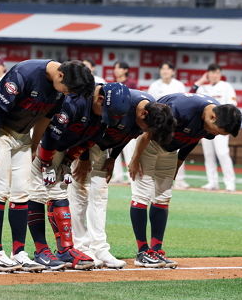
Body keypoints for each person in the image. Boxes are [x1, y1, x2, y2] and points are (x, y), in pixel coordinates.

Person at [0, 59, 94, 272]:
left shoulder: (61, 87)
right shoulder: (25, 73)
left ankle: (19, 252)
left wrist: (34, 145)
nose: (68, 94)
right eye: (68, 90)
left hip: (23, 134)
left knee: (22, 193)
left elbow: (46, 117)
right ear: (60, 76)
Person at [128, 93, 241, 268]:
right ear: (213, 117)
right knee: (142, 195)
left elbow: (193, 138)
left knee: (163, 197)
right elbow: (149, 131)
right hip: (149, 145)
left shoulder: (215, 117)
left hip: (171, 150)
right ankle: (142, 252)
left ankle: (156, 250)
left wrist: (178, 163)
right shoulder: (181, 110)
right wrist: (135, 158)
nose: (214, 134)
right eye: (216, 131)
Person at [69, 89, 175, 269]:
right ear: (143, 113)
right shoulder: (119, 103)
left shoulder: (148, 110)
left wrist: (112, 158)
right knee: (80, 192)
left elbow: (127, 135)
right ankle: (80, 247)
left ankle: (100, 248)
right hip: (83, 142)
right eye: (145, 127)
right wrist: (84, 158)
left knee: (100, 195)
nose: (144, 131)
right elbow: (89, 124)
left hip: (104, 148)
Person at [29, 81, 128, 270]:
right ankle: (41, 250)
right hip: (43, 145)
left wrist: (67, 162)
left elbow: (88, 141)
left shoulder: (101, 114)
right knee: (38, 193)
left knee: (59, 194)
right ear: (99, 99)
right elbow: (49, 134)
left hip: (64, 149)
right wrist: (47, 163)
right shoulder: (75, 102)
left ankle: (65, 249)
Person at [192, 64, 237, 191]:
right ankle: (212, 182)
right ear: (207, 74)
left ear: (220, 74)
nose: (214, 75)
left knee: (222, 153)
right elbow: (194, 100)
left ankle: (230, 183)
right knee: (208, 154)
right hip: (206, 126)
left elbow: (233, 105)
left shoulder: (226, 87)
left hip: (222, 126)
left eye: (217, 72)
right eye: (212, 73)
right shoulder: (202, 88)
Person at [147, 62, 188, 188]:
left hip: (176, 122)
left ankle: (180, 179)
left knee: (178, 149)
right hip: (159, 122)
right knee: (157, 149)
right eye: (162, 69)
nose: (165, 71)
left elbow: (185, 103)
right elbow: (150, 103)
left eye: (168, 69)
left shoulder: (179, 85)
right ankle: (155, 177)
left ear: (173, 71)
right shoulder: (154, 85)